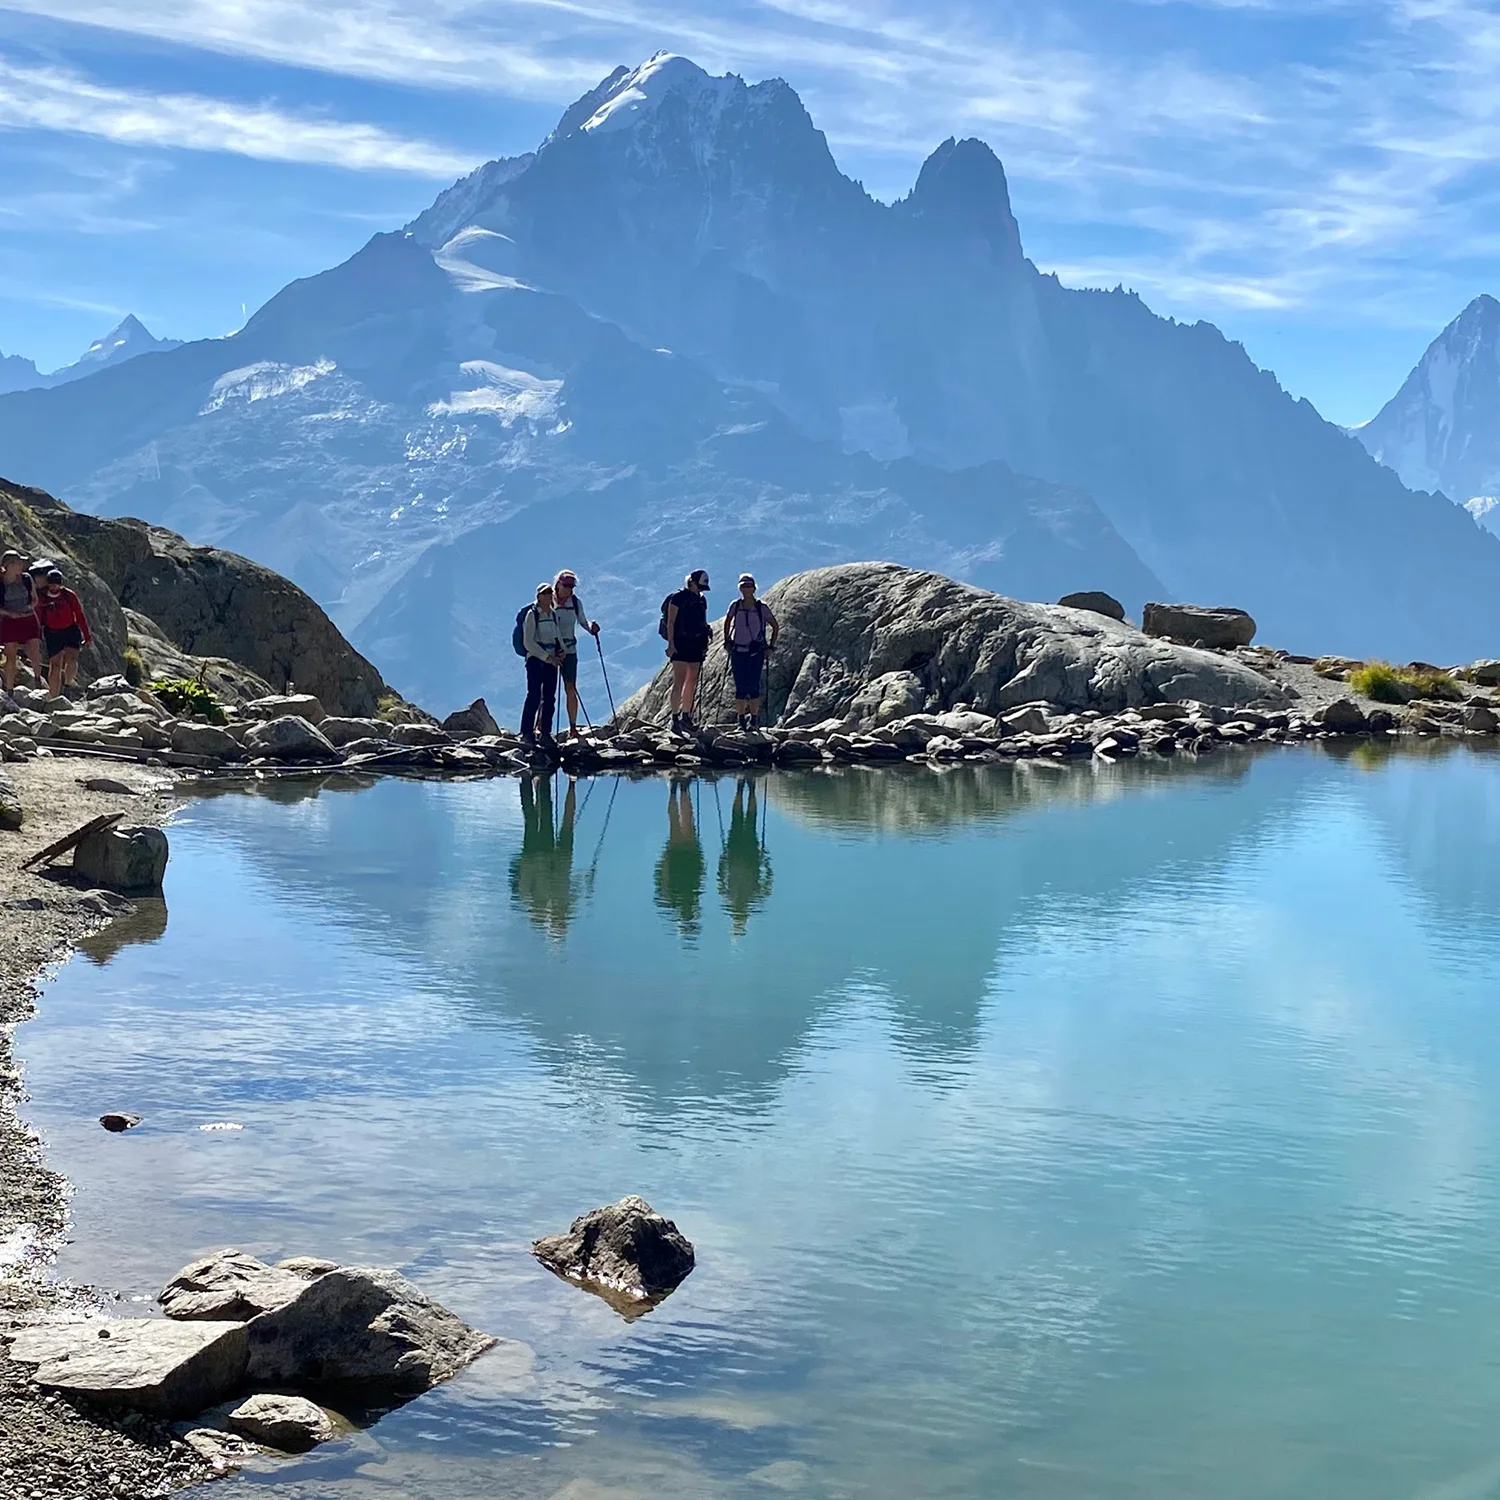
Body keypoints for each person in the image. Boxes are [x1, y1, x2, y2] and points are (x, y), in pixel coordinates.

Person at [510, 774, 579, 939]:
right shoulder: (564, 904)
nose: (559, 919)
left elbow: (525, 880)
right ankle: (540, 781)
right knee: (543, 816)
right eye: (561, 922)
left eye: (558, 923)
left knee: (534, 818)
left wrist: (530, 858)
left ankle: (531, 781)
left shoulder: (536, 904)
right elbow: (572, 885)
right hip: (551, 856)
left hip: (541, 855)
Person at [717, 777, 773, 936]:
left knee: (740, 820)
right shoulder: (753, 897)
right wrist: (765, 861)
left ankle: (743, 789)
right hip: (748, 857)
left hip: (738, 855)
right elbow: (768, 884)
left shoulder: (730, 896)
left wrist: (722, 861)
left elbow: (720, 878)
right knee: (748, 820)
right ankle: (747, 789)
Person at [723, 573, 779, 729]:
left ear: (754, 588)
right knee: (740, 687)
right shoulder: (735, 606)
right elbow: (727, 622)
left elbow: (775, 626)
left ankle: (753, 720)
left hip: (756, 652)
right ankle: (742, 721)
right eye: (743, 586)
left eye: (749, 586)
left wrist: (771, 647)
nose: (746, 589)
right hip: (738, 651)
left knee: (753, 687)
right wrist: (727, 640)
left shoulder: (761, 608)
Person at [654, 778, 706, 939]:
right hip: (684, 859)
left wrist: (664, 863)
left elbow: (662, 880)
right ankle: (679, 790)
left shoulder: (673, 899)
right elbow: (698, 877)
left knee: (679, 823)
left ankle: (677, 790)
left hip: (681, 859)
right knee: (684, 822)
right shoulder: (686, 898)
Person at [552, 569, 601, 739]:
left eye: (572, 586)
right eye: (566, 585)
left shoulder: (575, 602)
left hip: (569, 650)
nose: (570, 589)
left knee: (570, 688)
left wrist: (591, 627)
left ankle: (573, 728)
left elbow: (582, 621)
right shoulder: (547, 600)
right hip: (550, 652)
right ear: (558, 584)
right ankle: (540, 727)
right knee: (546, 691)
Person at [664, 568, 712, 734]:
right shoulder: (677, 598)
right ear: (691, 582)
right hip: (681, 644)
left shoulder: (701, 600)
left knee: (692, 681)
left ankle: (686, 716)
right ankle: (675, 718)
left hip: (696, 644)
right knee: (679, 681)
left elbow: (702, 621)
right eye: (699, 586)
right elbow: (670, 622)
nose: (700, 590)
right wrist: (671, 644)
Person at [520, 581, 564, 751]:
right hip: (536, 661)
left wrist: (561, 651)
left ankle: (545, 733)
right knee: (534, 696)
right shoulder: (532, 615)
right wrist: (547, 657)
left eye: (549, 593)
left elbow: (557, 637)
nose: (547, 596)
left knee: (549, 698)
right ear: (538, 596)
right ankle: (527, 733)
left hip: (551, 661)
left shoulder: (552, 615)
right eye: (544, 593)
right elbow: (528, 642)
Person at [37, 567, 91, 699]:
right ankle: (54, 696)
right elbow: (38, 617)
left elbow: (79, 615)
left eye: (57, 583)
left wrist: (87, 636)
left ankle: (67, 685)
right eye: (52, 583)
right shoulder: (42, 597)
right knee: (55, 664)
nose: (54, 586)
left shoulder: (69, 595)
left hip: (70, 629)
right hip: (52, 632)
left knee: (71, 658)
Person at [0, 549, 42, 697]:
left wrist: (30, 608)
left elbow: (34, 598)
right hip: (10, 621)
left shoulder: (26, 578)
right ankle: (9, 689)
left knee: (34, 649)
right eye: (18, 563)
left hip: (28, 617)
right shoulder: (1, 582)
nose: (21, 565)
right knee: (10, 654)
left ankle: (38, 681)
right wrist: (10, 613)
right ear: (9, 565)